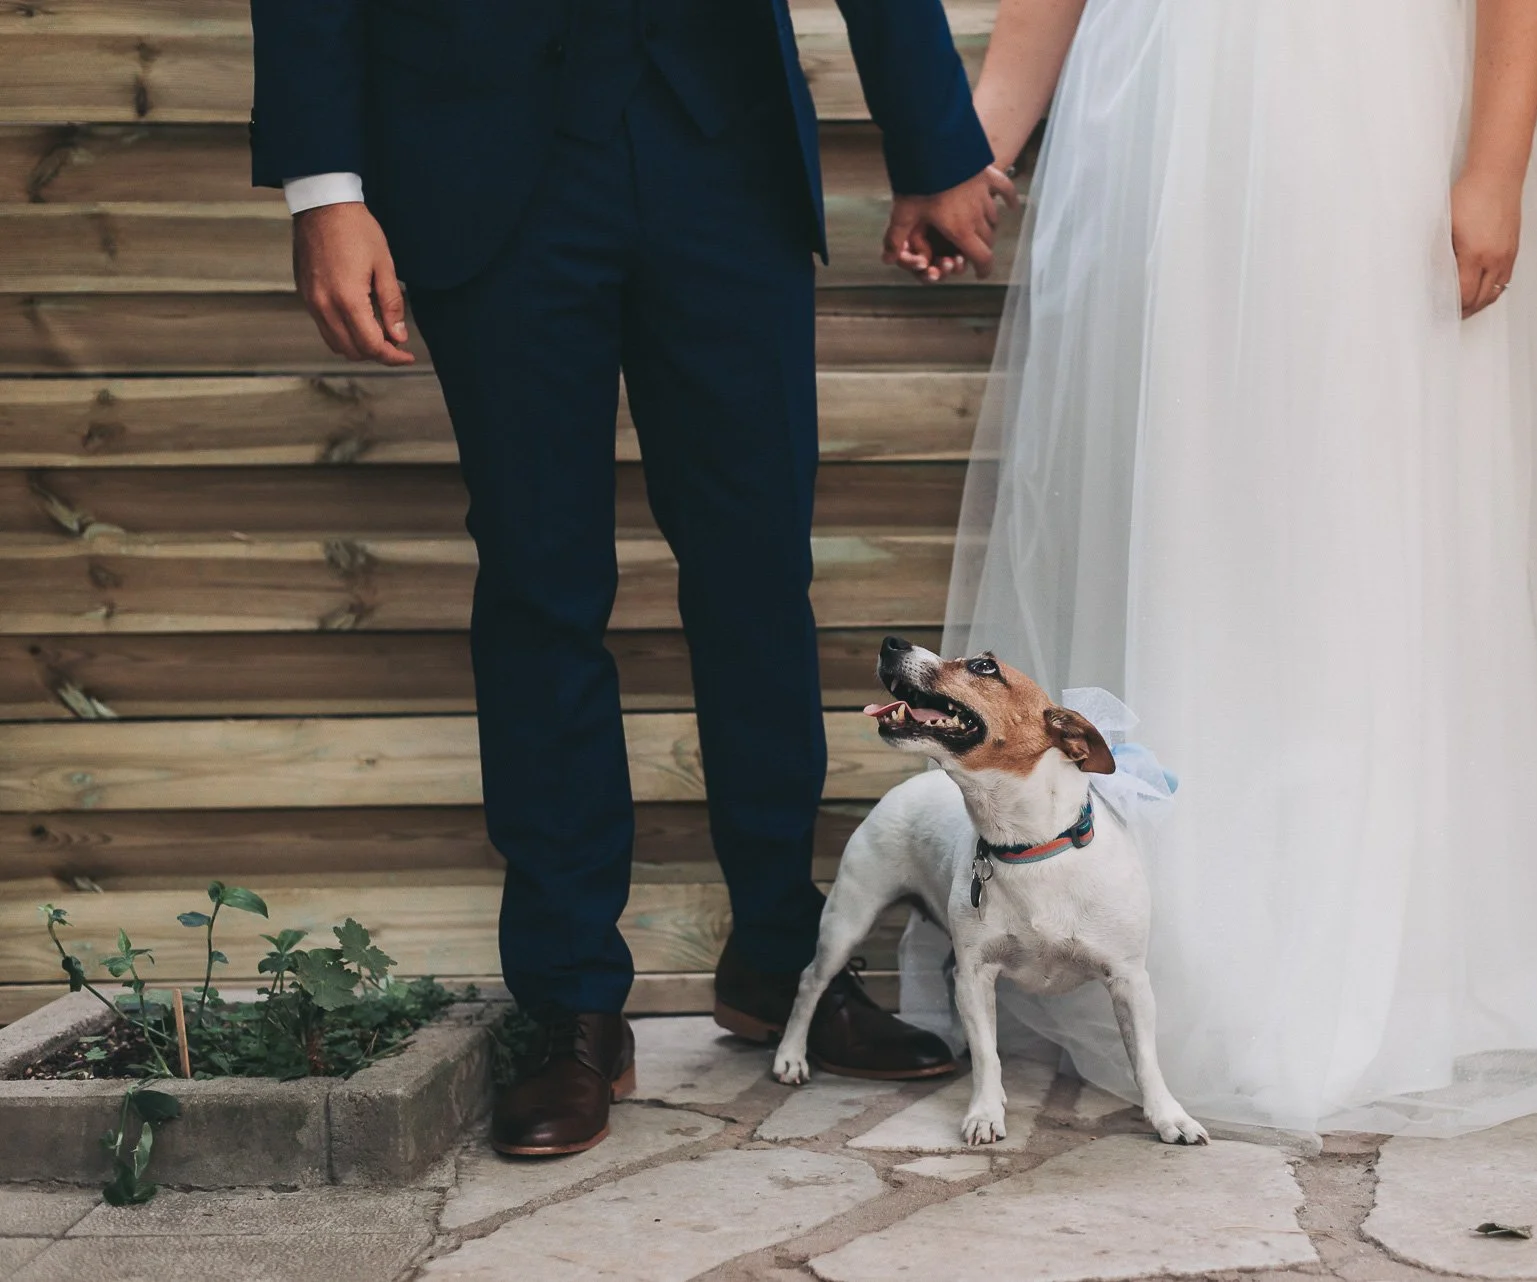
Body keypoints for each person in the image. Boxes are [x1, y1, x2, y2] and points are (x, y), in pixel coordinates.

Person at [913, 0, 1537, 1138]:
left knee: (1362, 512)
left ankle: (1402, 977)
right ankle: (1191, 959)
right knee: (1191, 517)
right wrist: (977, 146)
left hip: (1366, 114)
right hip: (1163, 118)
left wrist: (1491, 160)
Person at [249, 0, 1012, 1157]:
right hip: (479, 149)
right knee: (538, 584)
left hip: (723, 143)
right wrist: (324, 184)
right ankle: (570, 1003)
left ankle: (778, 958)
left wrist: (936, 144)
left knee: (758, 575)